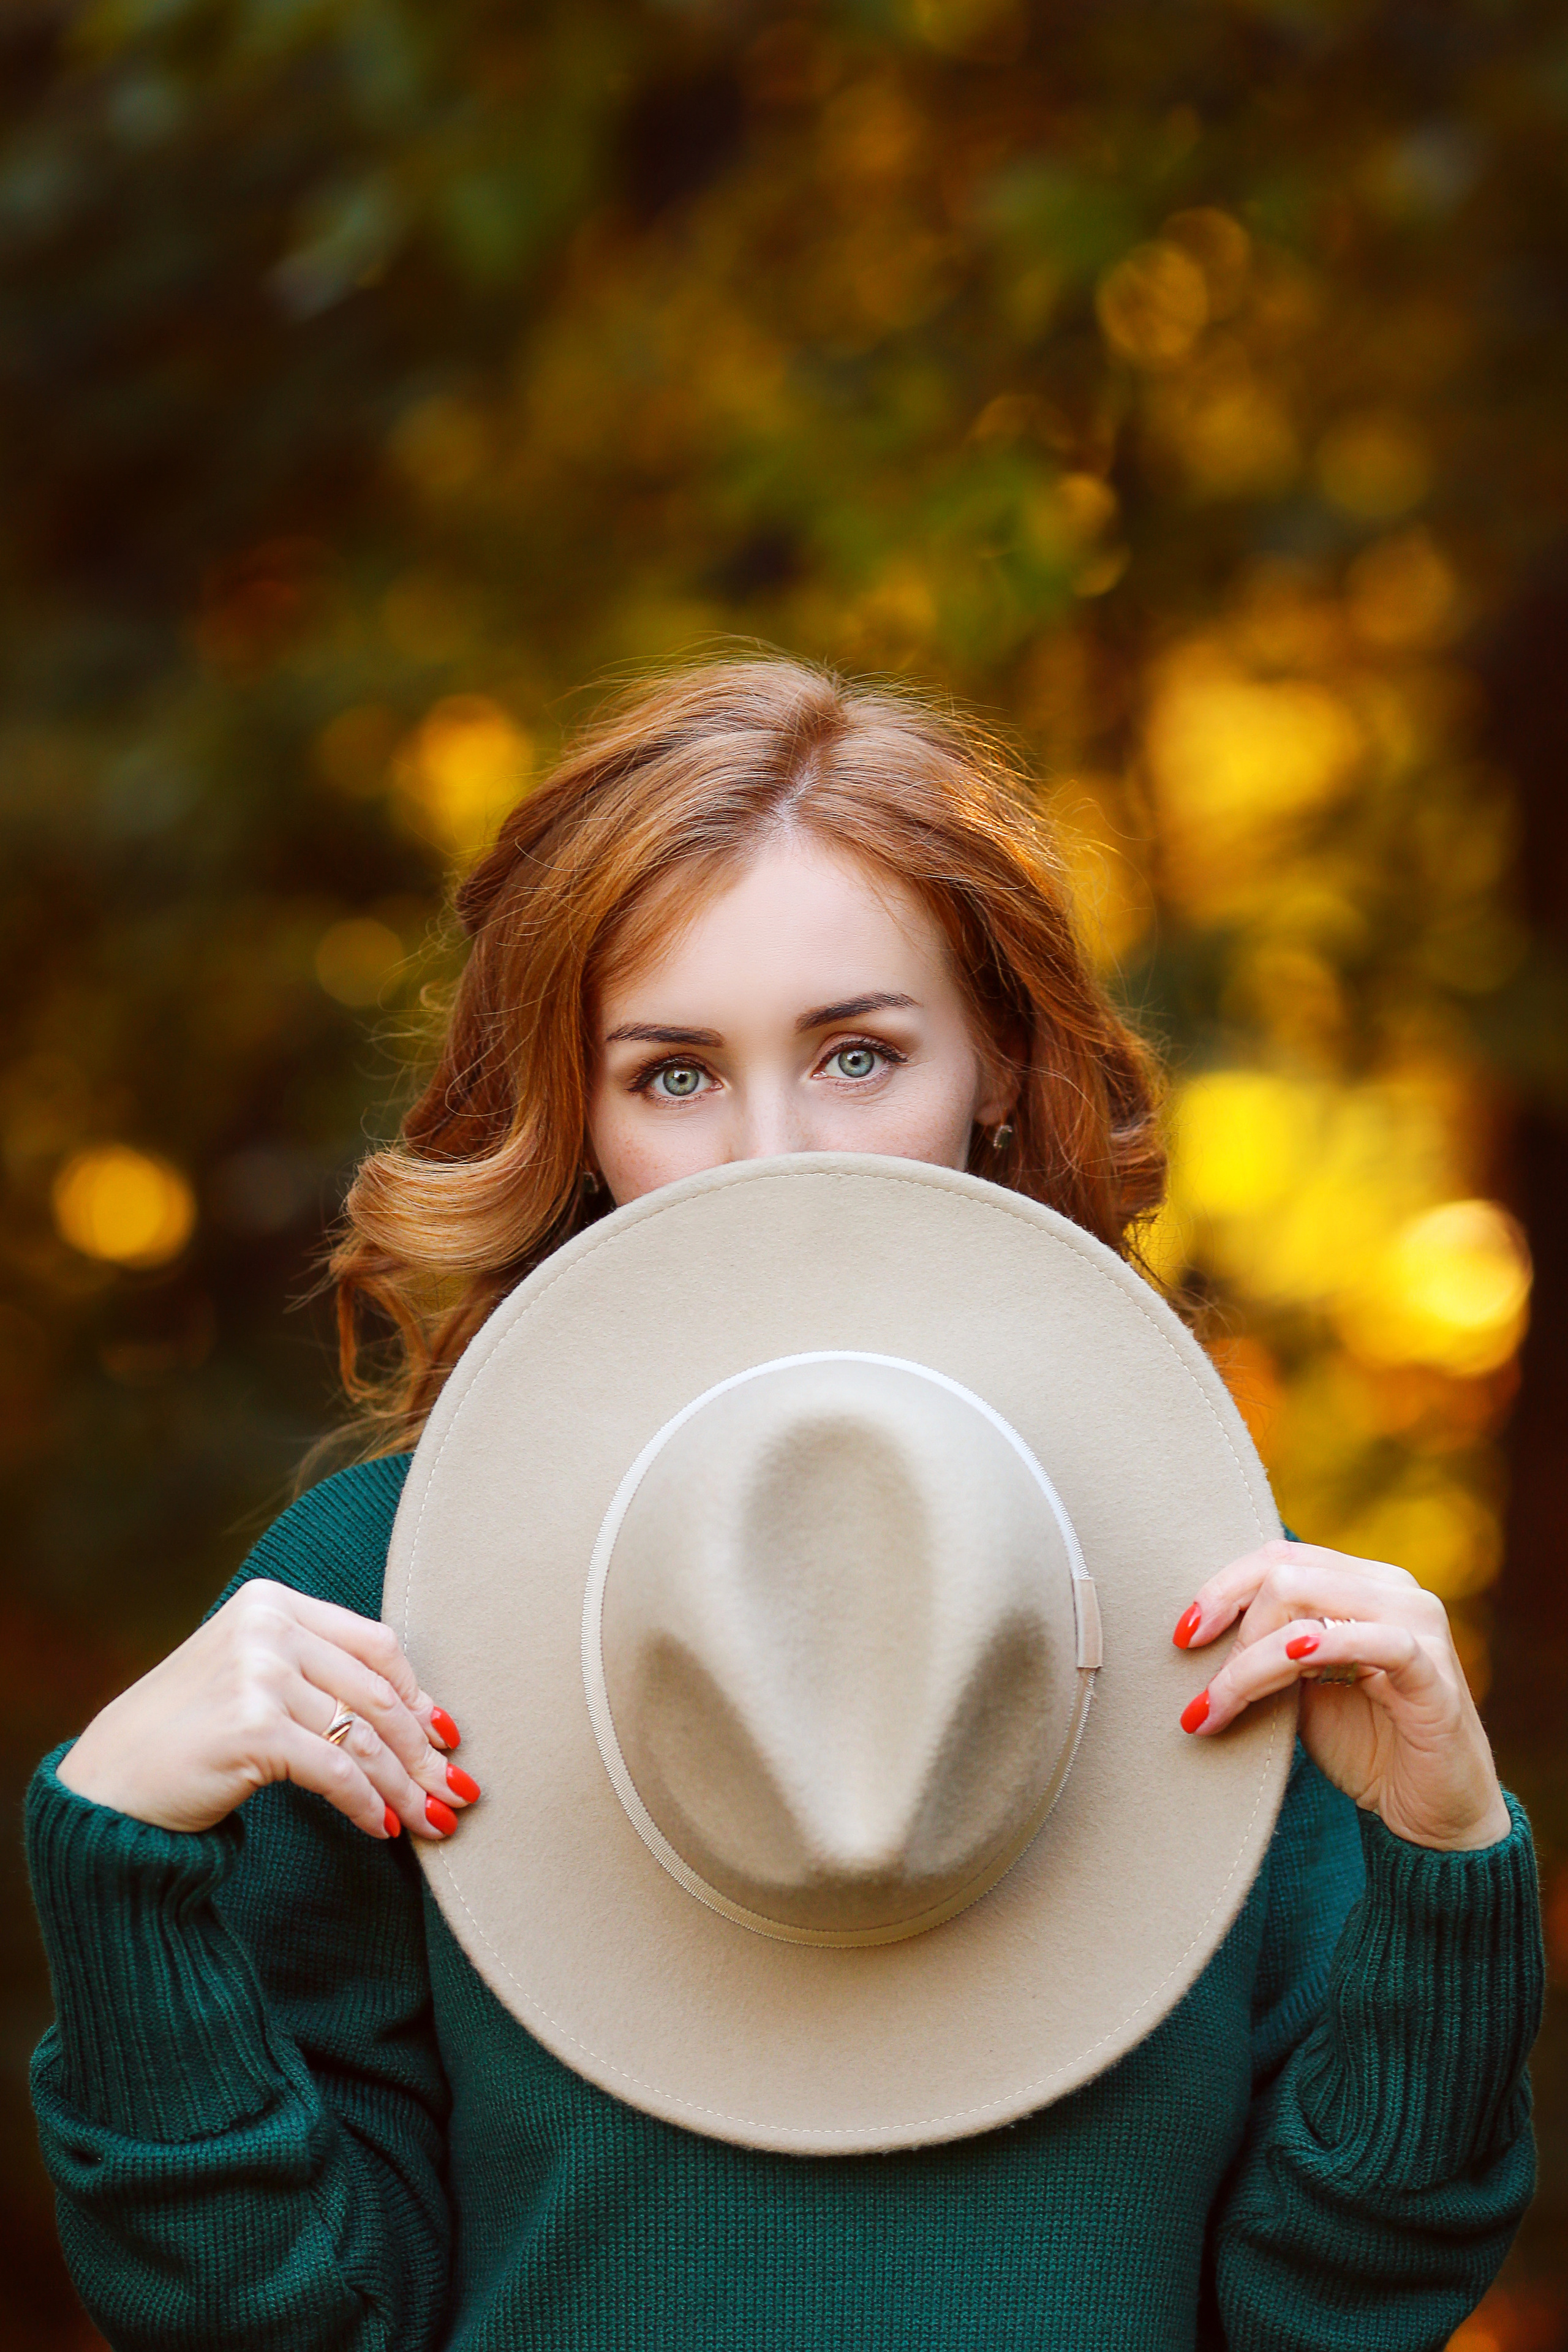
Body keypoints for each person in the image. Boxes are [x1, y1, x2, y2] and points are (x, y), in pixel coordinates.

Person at [26, 657, 1542, 2350]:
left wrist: (1442, 1858)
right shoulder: (378, 1606)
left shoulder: (1212, 1579)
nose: (772, 1155)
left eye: (857, 1055)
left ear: (994, 1066)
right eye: (673, 1075)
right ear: (578, 1118)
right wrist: (122, 1854)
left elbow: (1331, 2311)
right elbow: (295, 2326)